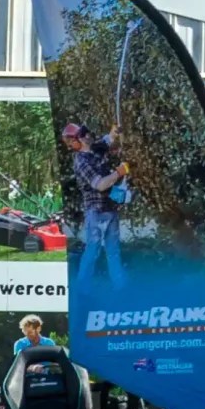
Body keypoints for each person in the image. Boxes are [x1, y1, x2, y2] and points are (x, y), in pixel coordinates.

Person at [62, 121, 131, 288]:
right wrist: (119, 172)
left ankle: (120, 287)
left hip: (110, 207)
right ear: (76, 141)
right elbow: (100, 184)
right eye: (82, 134)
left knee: (113, 251)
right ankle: (83, 288)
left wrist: (114, 132)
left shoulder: (95, 148)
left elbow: (107, 140)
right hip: (96, 211)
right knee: (93, 250)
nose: (87, 136)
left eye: (85, 133)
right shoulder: (81, 162)